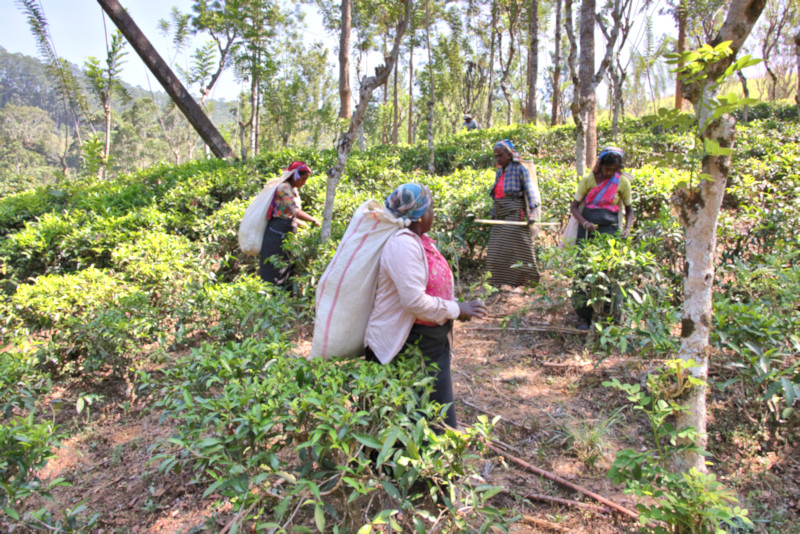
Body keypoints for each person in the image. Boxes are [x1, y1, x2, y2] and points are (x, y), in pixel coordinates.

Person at [364, 183, 487, 429]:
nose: (434, 214)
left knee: (432, 408)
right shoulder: (403, 244)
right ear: (420, 215)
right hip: (409, 343)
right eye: (431, 208)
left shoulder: (418, 239)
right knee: (416, 414)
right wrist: (457, 309)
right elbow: (414, 301)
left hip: (427, 339)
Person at [569, 146, 634, 328]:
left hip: (610, 233)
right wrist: (584, 223)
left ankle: (608, 313)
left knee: (608, 273)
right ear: (600, 165)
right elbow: (574, 206)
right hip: (588, 232)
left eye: (614, 170)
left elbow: (629, 210)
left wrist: (627, 229)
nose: (610, 173)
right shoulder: (589, 180)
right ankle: (584, 315)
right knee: (584, 272)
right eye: (607, 169)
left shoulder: (622, 183)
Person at [486, 139, 541, 289]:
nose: (498, 159)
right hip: (500, 213)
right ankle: (498, 281)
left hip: (514, 212)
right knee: (496, 248)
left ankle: (525, 282)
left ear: (509, 155)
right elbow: (497, 194)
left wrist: (532, 213)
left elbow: (530, 191)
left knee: (517, 248)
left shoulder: (519, 169)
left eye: (501, 155)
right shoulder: (499, 171)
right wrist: (493, 212)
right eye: (496, 156)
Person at [259, 161, 321, 286]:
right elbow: (293, 210)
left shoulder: (292, 189)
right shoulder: (284, 187)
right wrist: (313, 219)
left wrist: (305, 225)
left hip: (284, 232)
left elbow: (287, 214)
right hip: (277, 233)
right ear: (295, 176)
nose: (304, 183)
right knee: (275, 267)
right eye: (303, 179)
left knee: (285, 266)